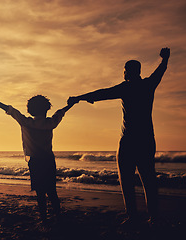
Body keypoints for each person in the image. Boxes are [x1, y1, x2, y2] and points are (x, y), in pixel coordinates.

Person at [67, 48, 170, 225]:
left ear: (127, 72)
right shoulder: (148, 84)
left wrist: (79, 97)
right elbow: (160, 71)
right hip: (146, 139)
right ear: (139, 71)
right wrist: (165, 59)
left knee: (126, 178)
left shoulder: (126, 87)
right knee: (148, 178)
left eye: (124, 70)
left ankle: (133, 215)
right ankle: (154, 216)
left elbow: (102, 93)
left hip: (129, 140)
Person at [0, 95, 74, 221]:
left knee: (40, 192)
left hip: (35, 161)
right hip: (49, 160)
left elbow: (11, 110)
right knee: (52, 191)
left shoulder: (26, 122)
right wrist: (72, 104)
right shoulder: (50, 123)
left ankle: (44, 218)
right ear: (46, 109)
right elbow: (61, 112)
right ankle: (57, 215)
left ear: (30, 110)